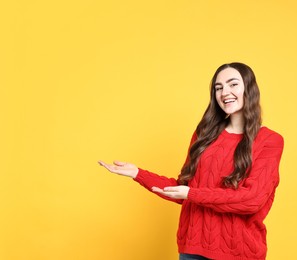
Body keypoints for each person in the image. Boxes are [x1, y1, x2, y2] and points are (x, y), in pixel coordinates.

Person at [98, 62, 284, 260]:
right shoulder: (203, 135)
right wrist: (138, 173)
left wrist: (192, 193)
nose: (224, 92)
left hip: (239, 253)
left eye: (233, 84)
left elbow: (252, 200)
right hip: (192, 250)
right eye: (218, 88)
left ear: (249, 88)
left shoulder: (270, 141)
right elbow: (183, 190)